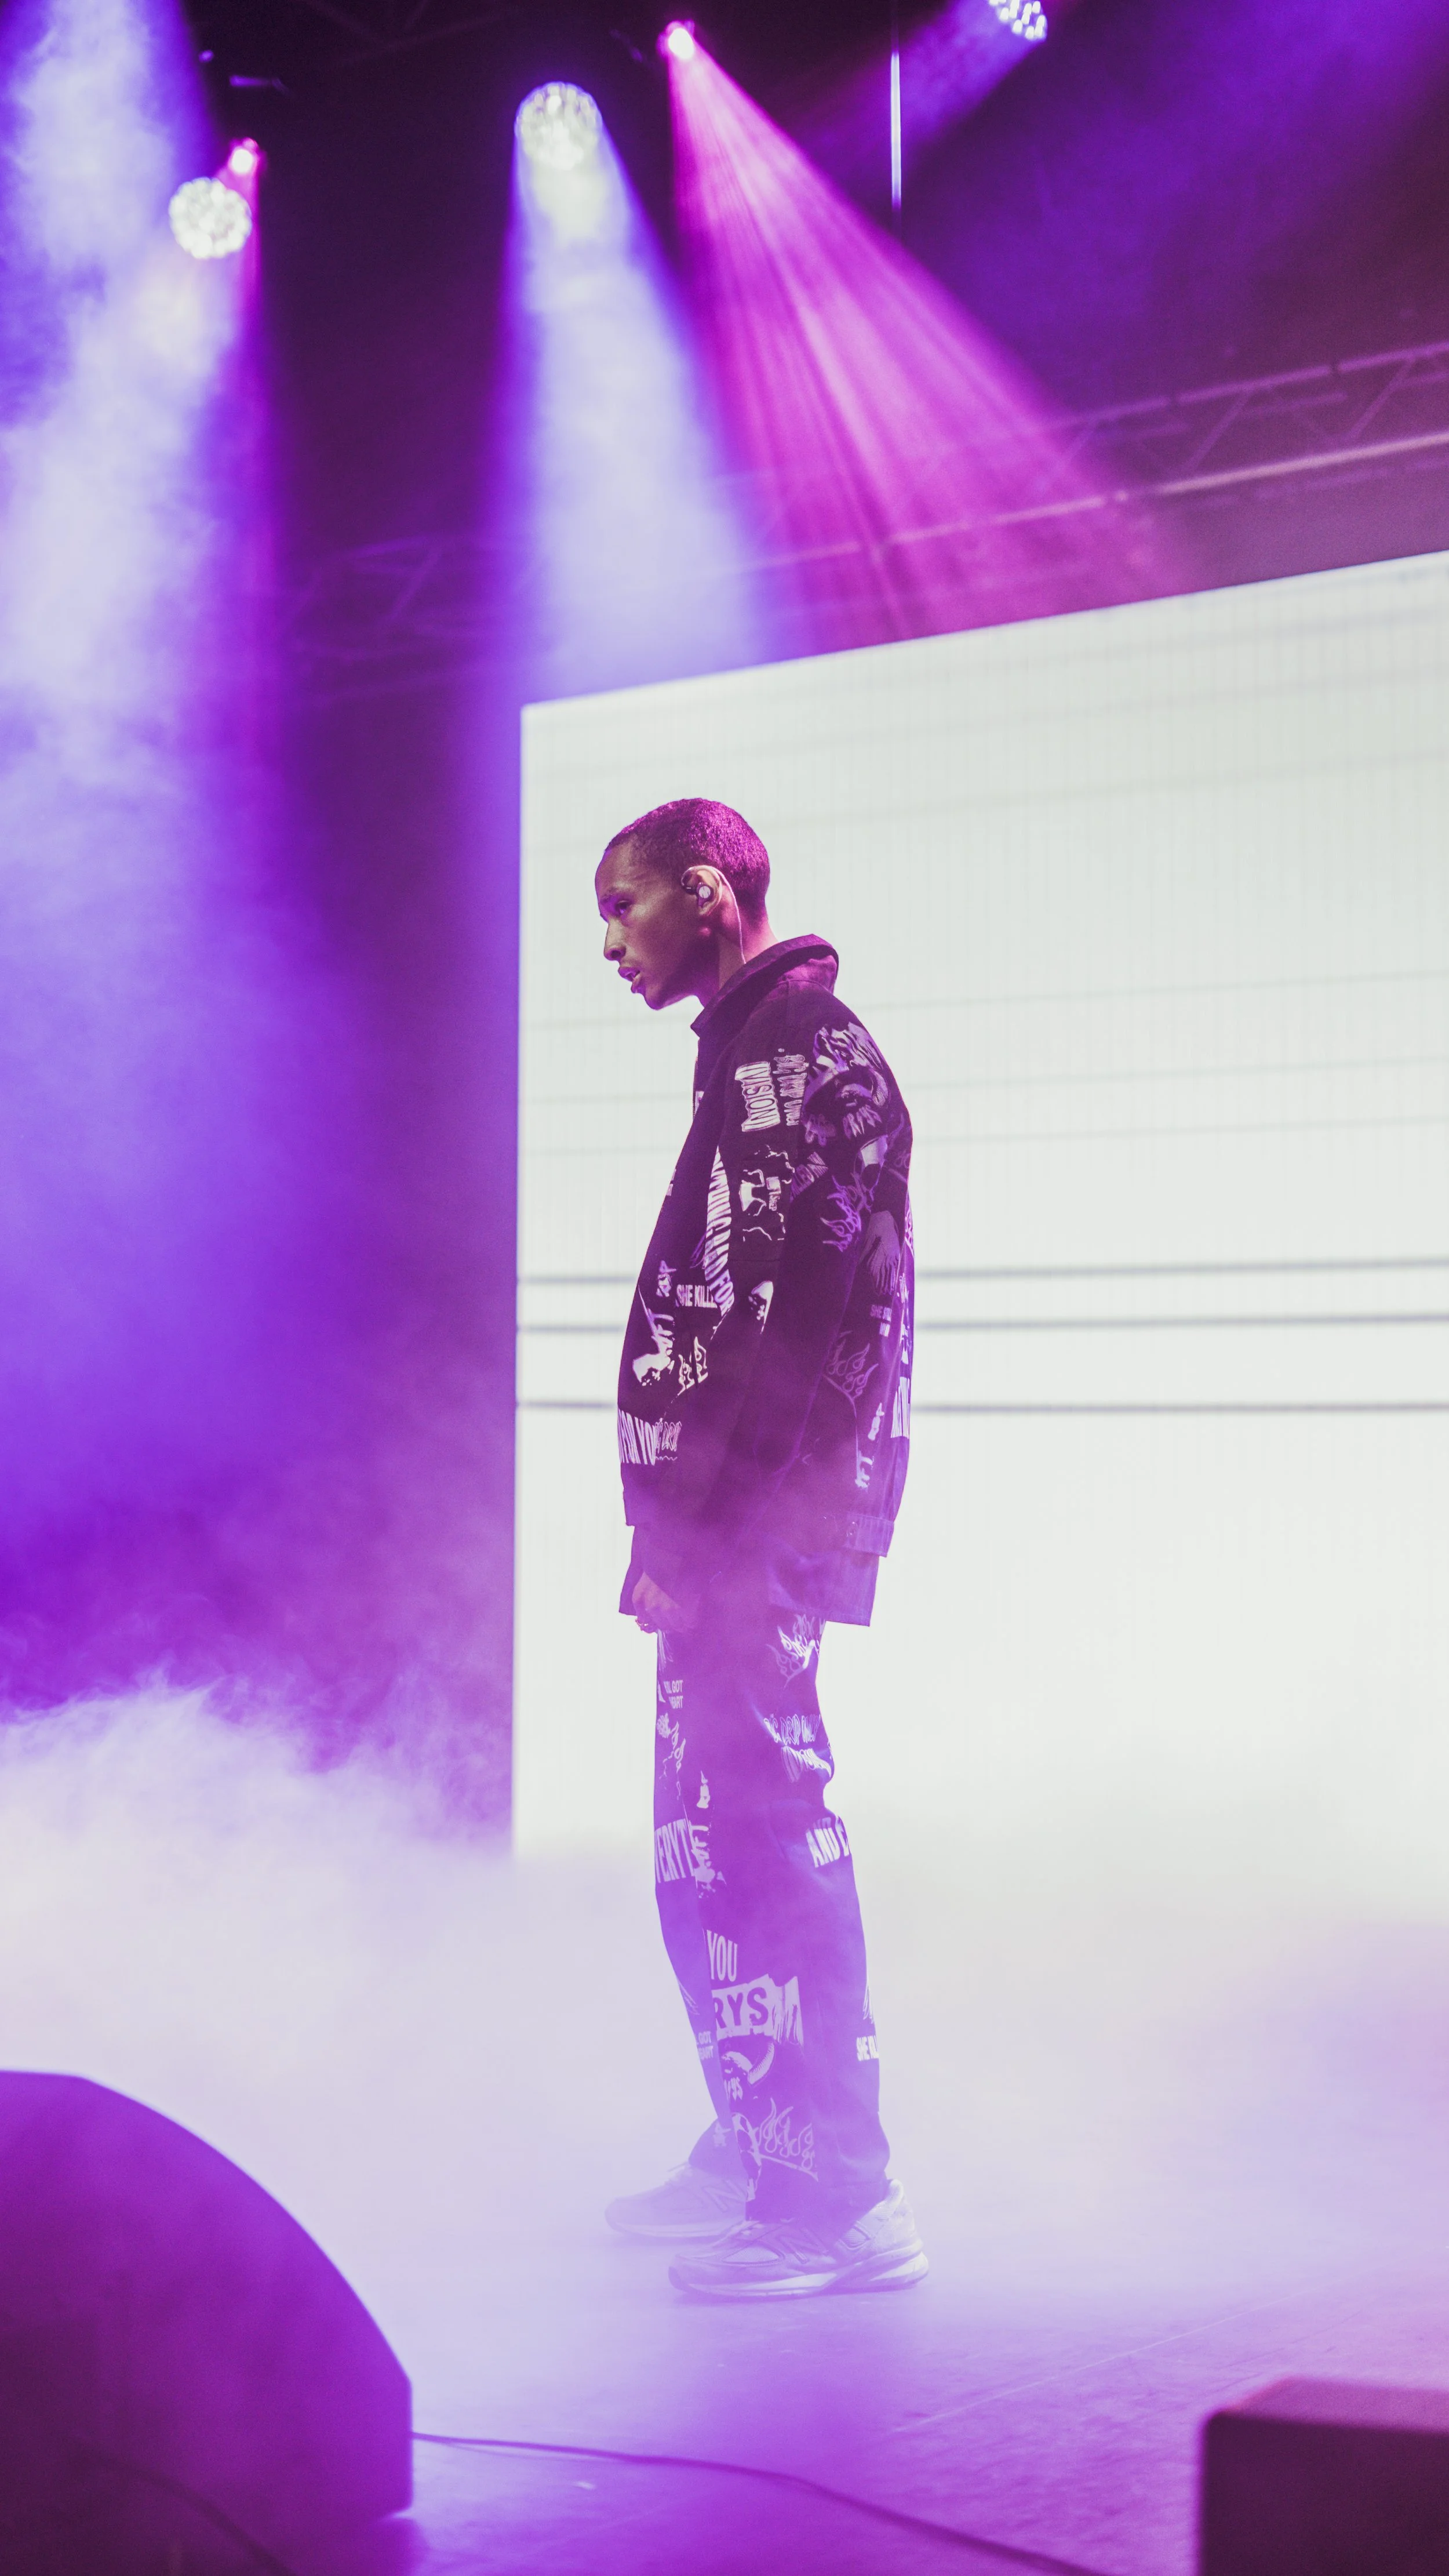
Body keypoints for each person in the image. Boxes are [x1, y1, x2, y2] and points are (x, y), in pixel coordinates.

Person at [594, 796, 926, 2302]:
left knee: (760, 1830)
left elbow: (774, 1334)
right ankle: (759, 2133)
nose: (610, 937)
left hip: (750, 1531)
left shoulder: (796, 1057)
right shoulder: (753, 1055)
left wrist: (697, 1527)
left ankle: (833, 2199)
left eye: (631, 900)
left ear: (713, 893)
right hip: (728, 1525)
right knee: (702, 1847)